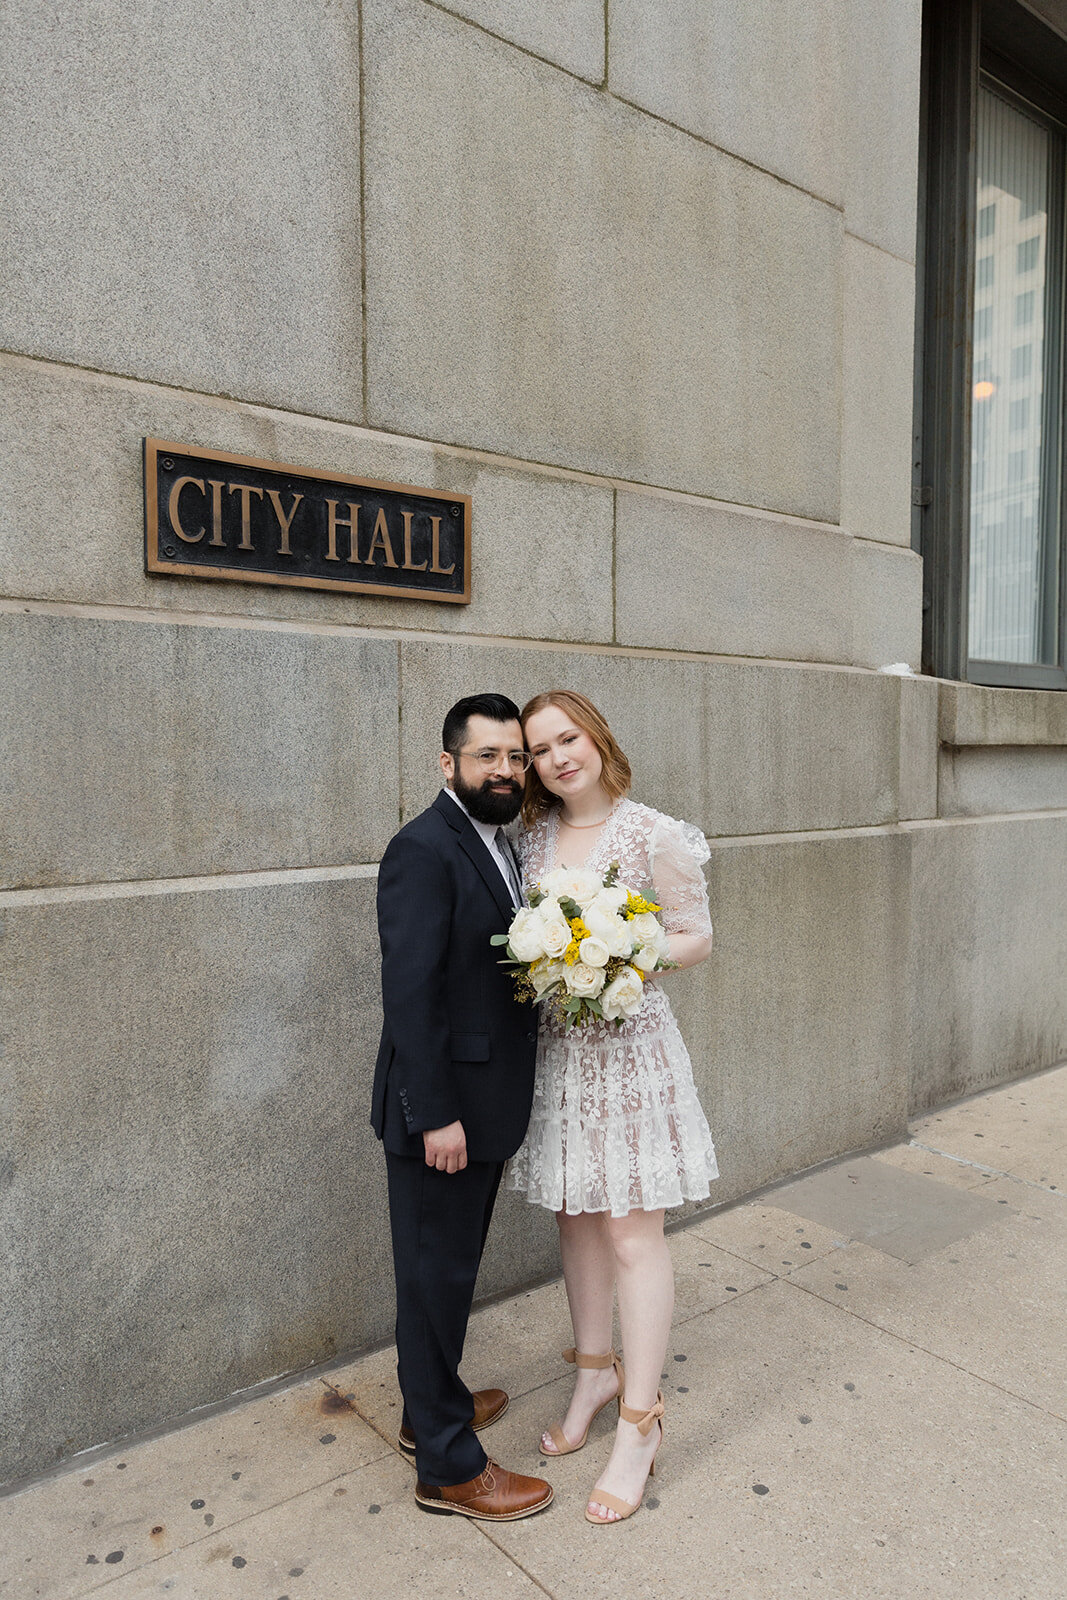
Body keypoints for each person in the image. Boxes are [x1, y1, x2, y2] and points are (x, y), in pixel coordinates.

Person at [507, 690, 718, 1524]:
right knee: (574, 1215)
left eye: (568, 738)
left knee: (633, 1228)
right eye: (540, 749)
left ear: (595, 737)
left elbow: (697, 933)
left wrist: (630, 950)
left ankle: (641, 1421)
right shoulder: (528, 839)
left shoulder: (652, 832)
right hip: (561, 1053)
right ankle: (594, 1369)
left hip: (631, 1051)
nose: (559, 757)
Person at [371, 693, 553, 1522]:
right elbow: (409, 995)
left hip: (483, 1105)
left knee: (443, 1277)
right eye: (488, 758)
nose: (506, 771)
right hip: (441, 1115)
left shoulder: (498, 842)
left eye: (514, 757)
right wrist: (435, 1113)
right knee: (433, 1278)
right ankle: (447, 1467)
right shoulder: (422, 848)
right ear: (448, 765)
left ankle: (426, 1408)